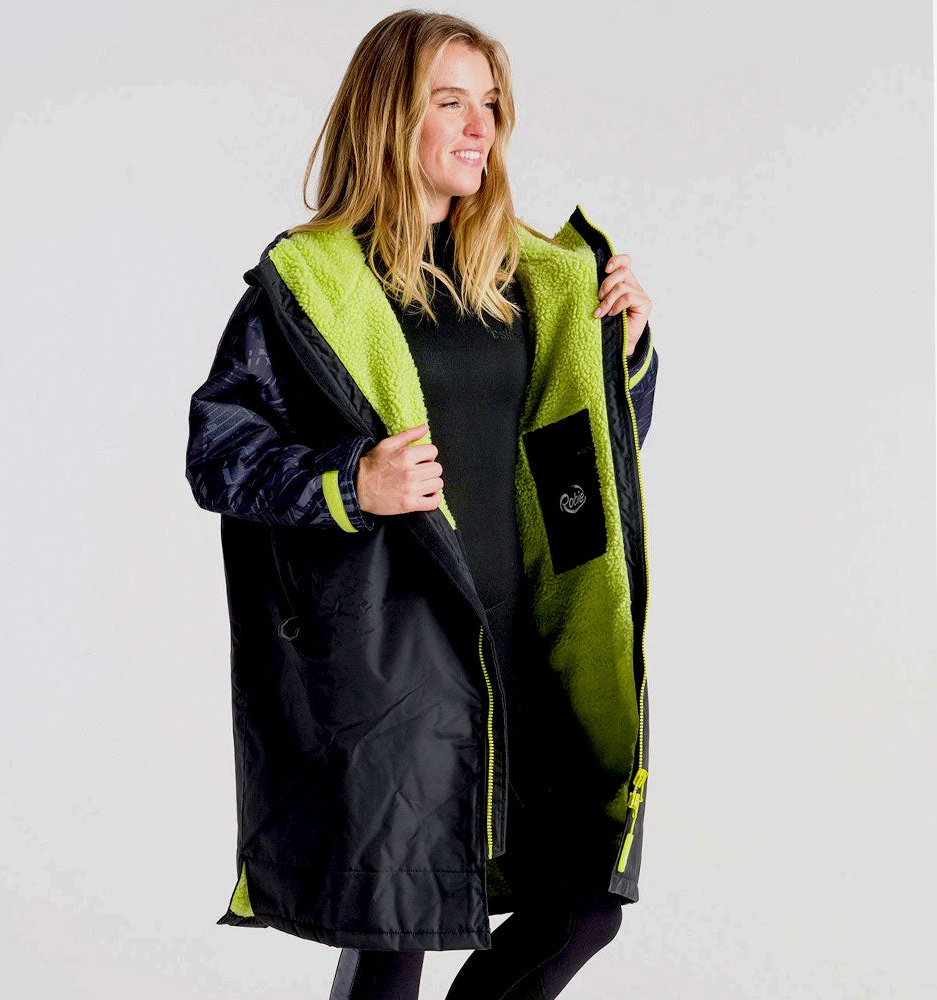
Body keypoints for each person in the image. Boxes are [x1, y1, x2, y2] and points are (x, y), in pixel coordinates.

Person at [185, 10, 660, 999]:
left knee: (585, 899)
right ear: (389, 118)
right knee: (395, 929)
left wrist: (623, 353)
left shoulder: (527, 279)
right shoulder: (314, 284)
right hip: (398, 656)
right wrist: (351, 482)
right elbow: (218, 453)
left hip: (521, 644)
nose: (480, 126)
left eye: (490, 104)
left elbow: (581, 475)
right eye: (451, 102)